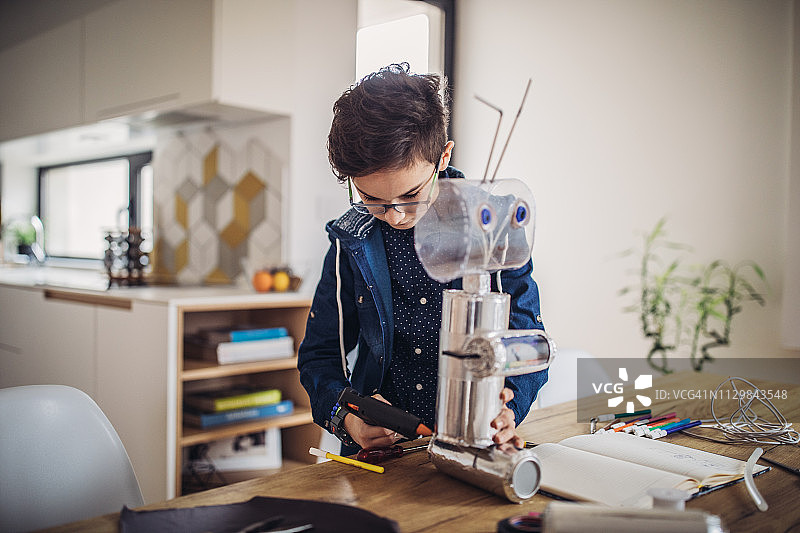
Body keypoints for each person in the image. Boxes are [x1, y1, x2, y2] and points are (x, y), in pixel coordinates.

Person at [298, 63, 547, 454]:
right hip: (382, 454)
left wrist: (508, 407)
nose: (395, 215)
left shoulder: (495, 224)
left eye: (411, 194)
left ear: (443, 156)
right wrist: (348, 418)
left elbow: (528, 341)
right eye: (371, 199)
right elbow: (320, 355)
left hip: (473, 442)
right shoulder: (352, 238)